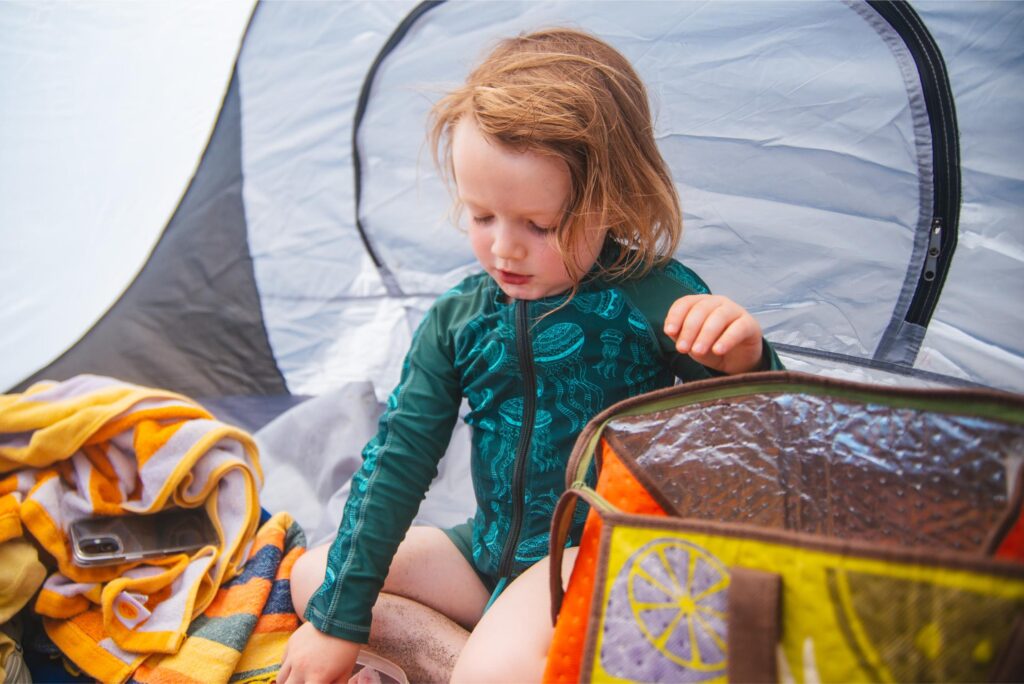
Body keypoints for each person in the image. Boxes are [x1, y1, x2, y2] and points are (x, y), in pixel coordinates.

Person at [280, 27, 782, 683]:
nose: (504, 250)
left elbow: (754, 440)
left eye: (538, 226)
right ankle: (471, 657)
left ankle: (489, 663)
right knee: (317, 580)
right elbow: (396, 464)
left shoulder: (657, 299)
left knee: (485, 666)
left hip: (590, 556)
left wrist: (744, 360)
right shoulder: (459, 319)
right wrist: (334, 625)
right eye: (481, 216)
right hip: (488, 552)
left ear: (612, 201)